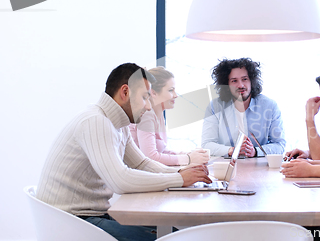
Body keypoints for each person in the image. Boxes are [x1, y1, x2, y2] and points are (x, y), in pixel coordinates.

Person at [36, 63, 211, 241]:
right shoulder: (96, 121)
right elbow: (120, 181)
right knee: (173, 237)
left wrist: (182, 173)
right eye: (145, 97)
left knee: (176, 233)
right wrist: (179, 179)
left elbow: (142, 163)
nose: (149, 107)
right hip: (71, 223)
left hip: (88, 217)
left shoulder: (118, 124)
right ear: (125, 92)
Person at [202, 58, 286, 157]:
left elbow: (279, 145)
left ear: (252, 81)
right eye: (234, 81)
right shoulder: (215, 106)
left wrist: (255, 151)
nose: (240, 85)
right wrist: (231, 150)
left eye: (245, 79)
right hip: (225, 167)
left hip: (260, 169)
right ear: (227, 85)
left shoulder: (270, 106)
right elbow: (206, 145)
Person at [129, 67, 209, 166]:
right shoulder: (146, 115)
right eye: (171, 90)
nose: (175, 95)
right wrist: (188, 159)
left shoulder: (159, 113)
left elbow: (161, 151)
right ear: (153, 92)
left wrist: (189, 154)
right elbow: (150, 157)